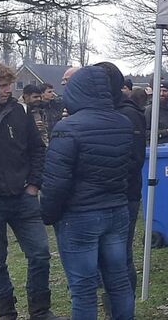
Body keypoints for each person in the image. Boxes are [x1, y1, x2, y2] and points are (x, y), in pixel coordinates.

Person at [41, 65, 134, 320]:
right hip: (116, 210)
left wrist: (48, 214)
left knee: (83, 289)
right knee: (119, 281)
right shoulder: (123, 123)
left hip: (79, 216)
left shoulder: (67, 128)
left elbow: (56, 181)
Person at [0, 64, 63, 320]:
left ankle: (40, 310)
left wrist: (34, 184)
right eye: (1, 85)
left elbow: (37, 149)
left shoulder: (20, 112)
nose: (7, 90)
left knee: (40, 254)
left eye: (9, 85)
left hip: (23, 196)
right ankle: (5, 312)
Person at [97, 62, 147, 296]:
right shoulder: (110, 112)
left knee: (121, 256)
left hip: (124, 194)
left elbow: (134, 159)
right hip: (107, 194)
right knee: (108, 256)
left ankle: (123, 307)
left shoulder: (128, 115)